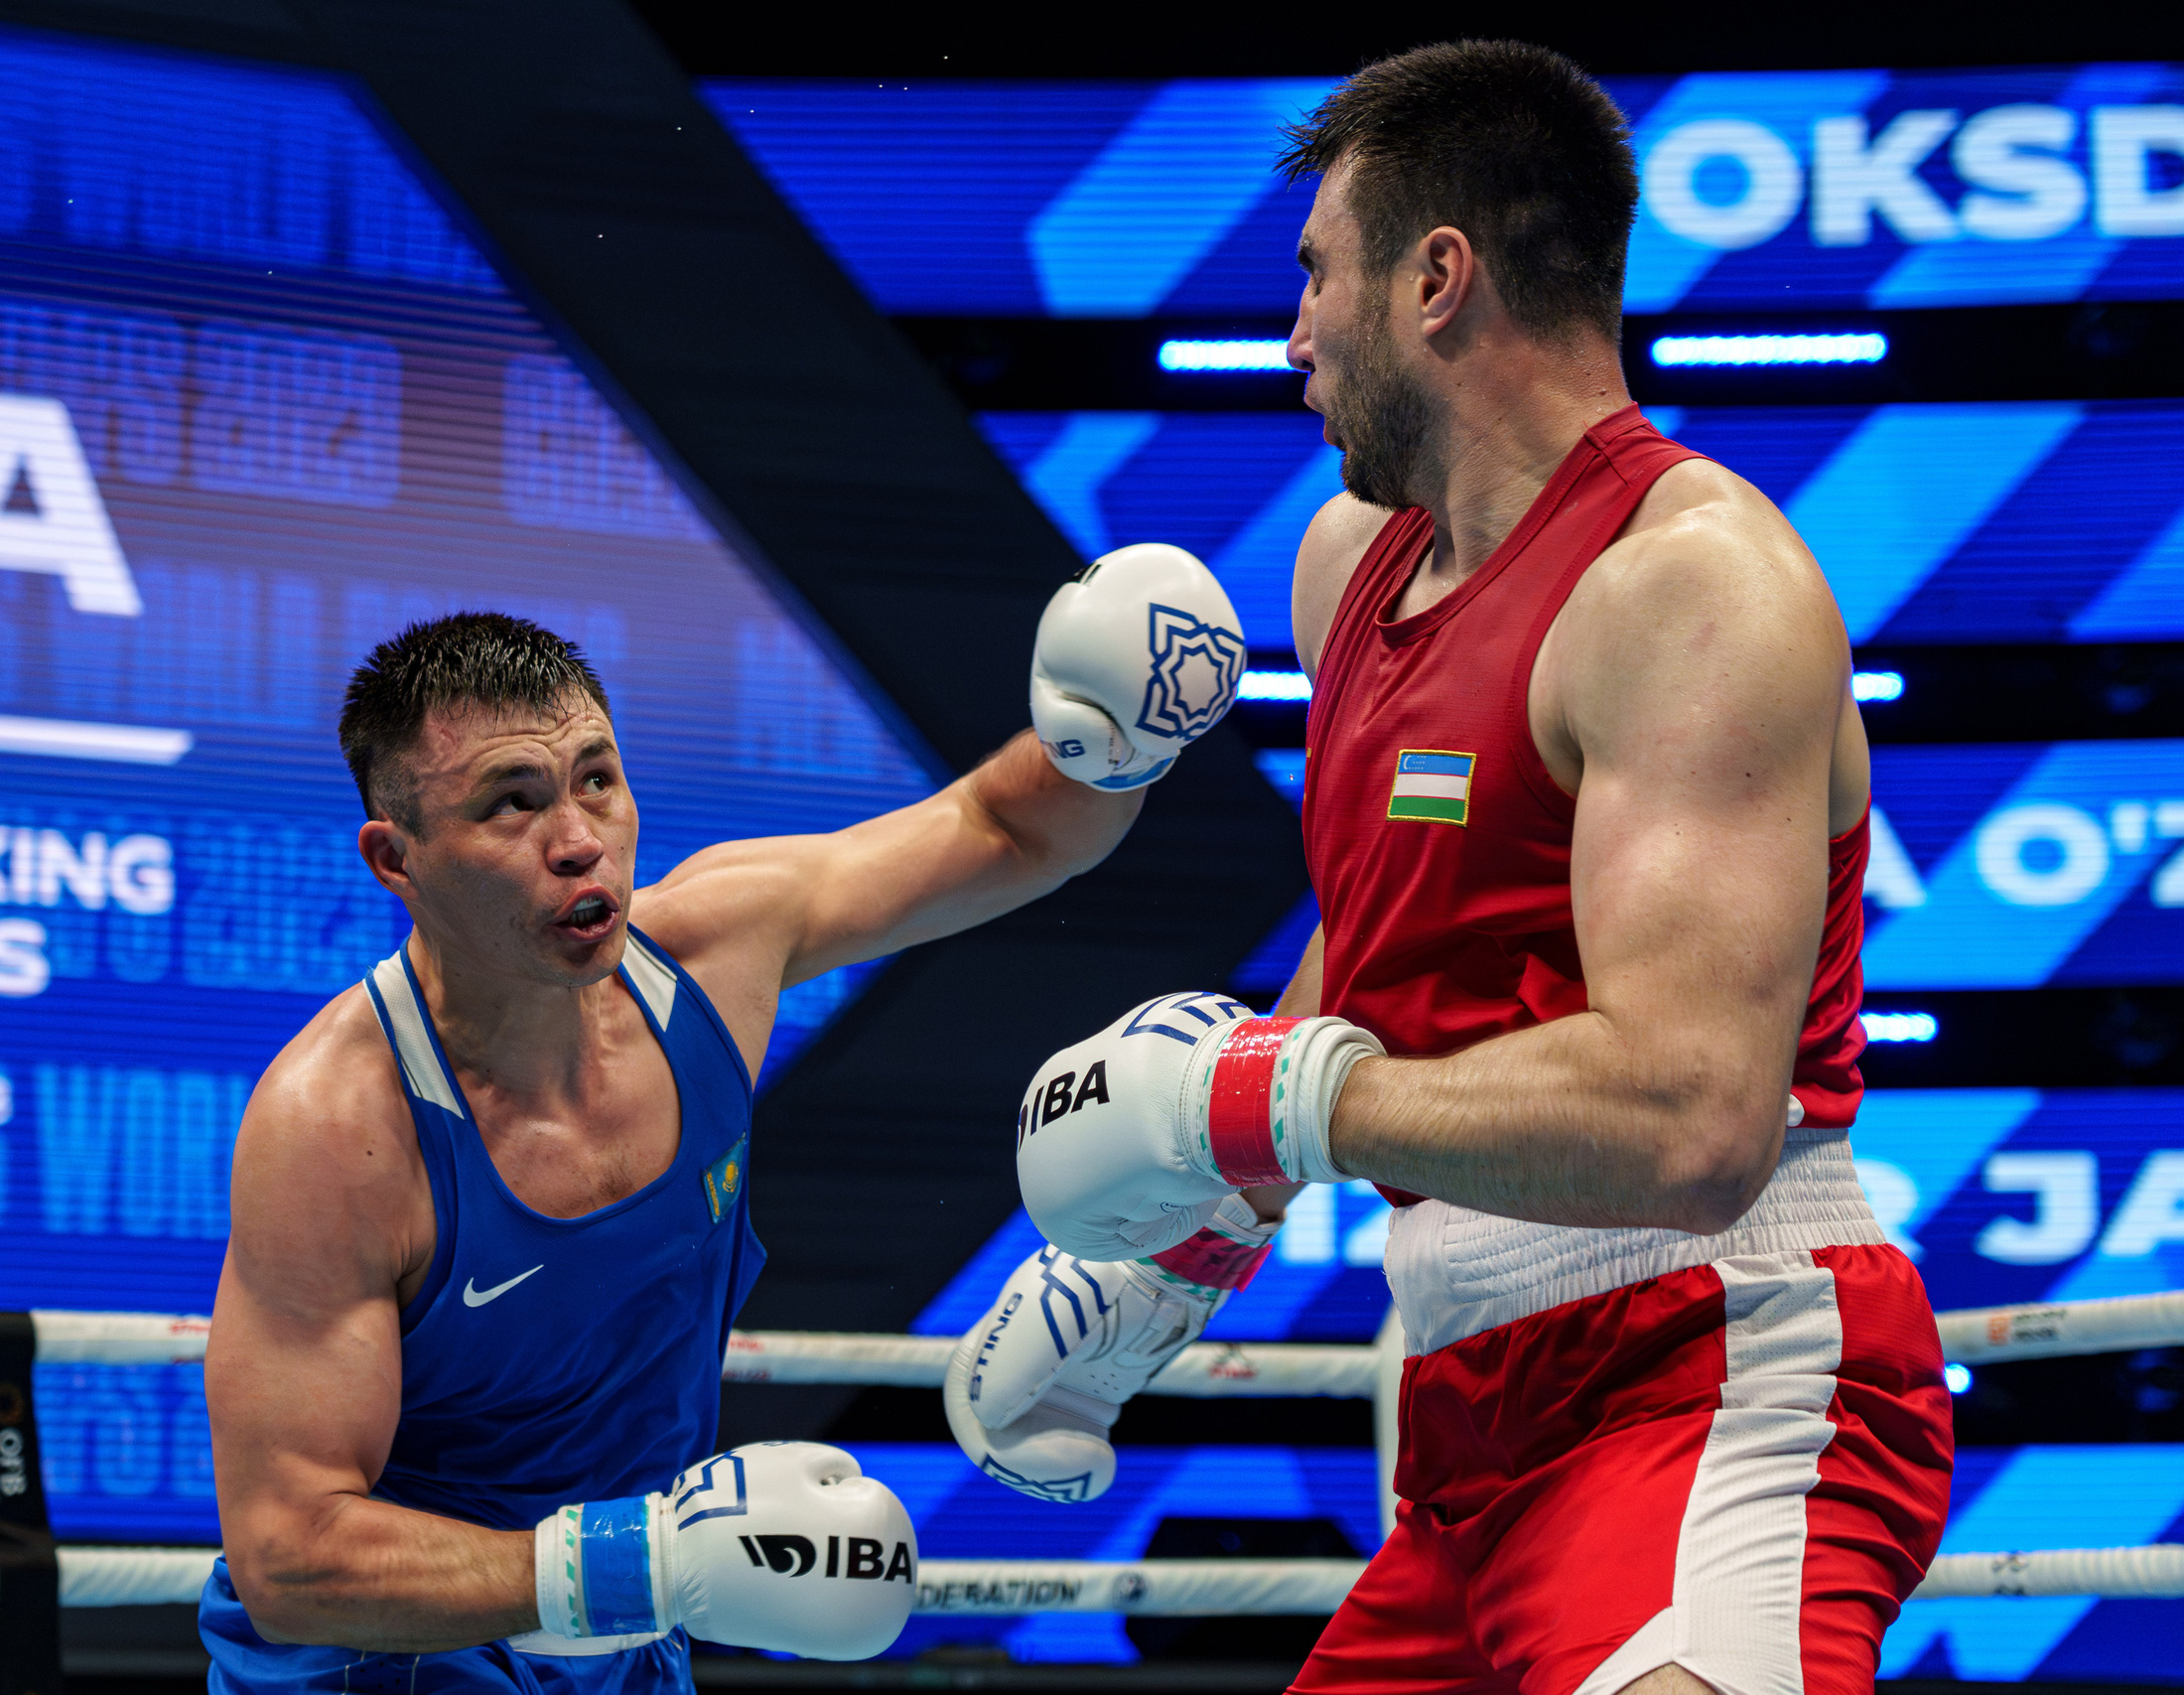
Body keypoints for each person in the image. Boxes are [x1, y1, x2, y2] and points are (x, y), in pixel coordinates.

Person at [992, 41, 1953, 1695]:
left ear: (1438, 280)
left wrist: (1251, 1099)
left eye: (1316, 277)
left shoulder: (1692, 586)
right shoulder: (1348, 564)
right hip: (1461, 1418)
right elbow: (1372, 970)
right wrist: (1175, 1257)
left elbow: (1693, 1120)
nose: (1294, 337)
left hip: (1709, 1367)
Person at [203, 540, 1246, 1693]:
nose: (577, 840)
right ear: (395, 861)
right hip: (387, 1661)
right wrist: (640, 1564)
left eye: (595, 778)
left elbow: (1008, 832)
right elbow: (291, 1557)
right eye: (512, 803)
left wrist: (1114, 733)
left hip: (627, 1636)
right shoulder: (337, 1128)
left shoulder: (711, 953)